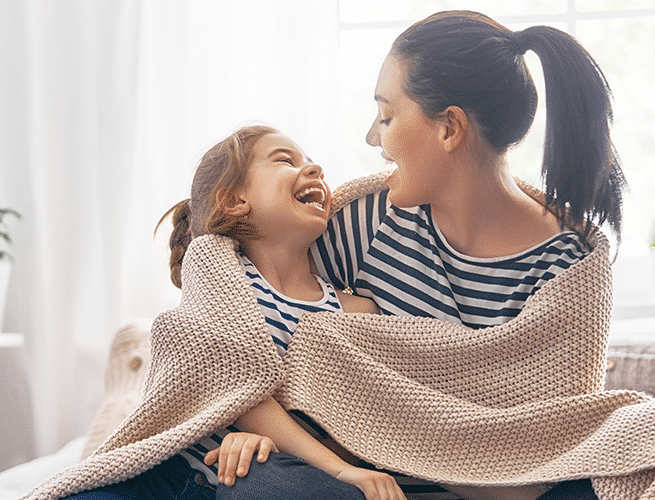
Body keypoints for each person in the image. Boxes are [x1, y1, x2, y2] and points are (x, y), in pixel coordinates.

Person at [233, 10, 624, 500]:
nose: (373, 138)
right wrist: (253, 421)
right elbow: (245, 325)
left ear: (449, 129)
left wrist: (411, 430)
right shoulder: (368, 223)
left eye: (387, 116)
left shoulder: (568, 269)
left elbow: (545, 458)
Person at [61, 124, 407, 500]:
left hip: (261, 473)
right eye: (285, 160)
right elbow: (230, 378)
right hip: (173, 474)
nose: (314, 169)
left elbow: (364, 421)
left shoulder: (356, 311)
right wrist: (335, 466)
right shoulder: (217, 269)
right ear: (234, 201)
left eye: (310, 161)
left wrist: (282, 449)